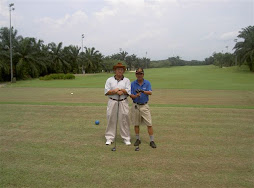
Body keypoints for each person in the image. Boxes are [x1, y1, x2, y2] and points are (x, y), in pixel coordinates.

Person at [104, 62, 131, 146]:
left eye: (121, 69)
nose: (120, 71)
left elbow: (128, 91)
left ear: (123, 71)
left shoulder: (127, 80)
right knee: (111, 119)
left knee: (124, 119)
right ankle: (109, 138)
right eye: (118, 69)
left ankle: (126, 138)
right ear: (115, 70)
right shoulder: (109, 80)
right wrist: (114, 91)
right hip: (112, 101)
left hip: (123, 101)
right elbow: (106, 92)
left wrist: (120, 90)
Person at [130, 68, 157, 148]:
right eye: (137, 74)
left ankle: (152, 140)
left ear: (143, 74)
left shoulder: (147, 83)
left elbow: (150, 92)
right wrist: (136, 95)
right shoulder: (133, 84)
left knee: (149, 124)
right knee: (136, 124)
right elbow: (130, 95)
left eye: (140, 73)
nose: (139, 75)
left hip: (144, 106)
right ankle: (138, 139)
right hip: (135, 105)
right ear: (136, 75)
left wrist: (142, 91)